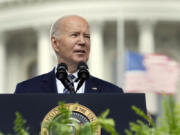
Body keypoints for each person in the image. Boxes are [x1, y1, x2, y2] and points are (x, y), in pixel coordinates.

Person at [15, 15, 123, 93]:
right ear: (55, 43)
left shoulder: (112, 93)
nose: (82, 41)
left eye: (87, 36)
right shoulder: (26, 90)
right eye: (74, 35)